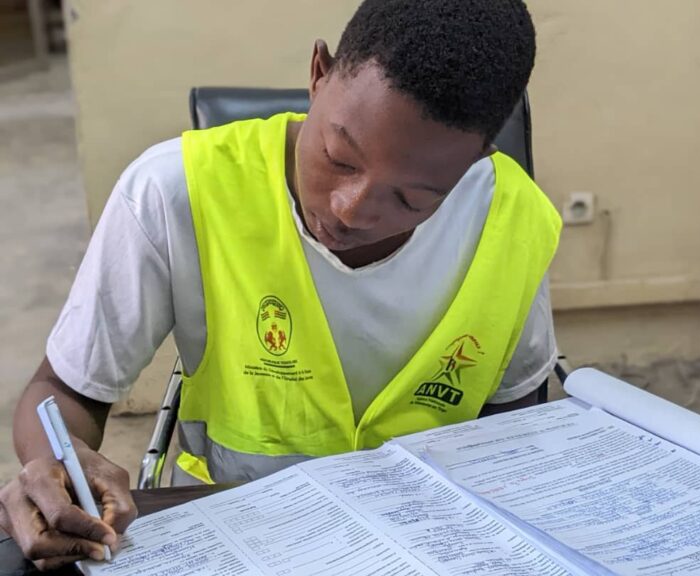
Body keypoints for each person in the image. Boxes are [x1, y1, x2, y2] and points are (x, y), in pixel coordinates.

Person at [0, 0, 561, 569]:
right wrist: (54, 464)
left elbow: (518, 417)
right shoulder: (173, 192)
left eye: (412, 199)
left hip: (431, 539)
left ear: (475, 161)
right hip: (235, 519)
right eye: (339, 157)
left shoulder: (513, 219)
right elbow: (66, 389)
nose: (351, 210)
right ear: (317, 73)